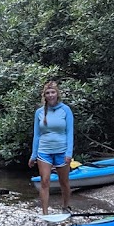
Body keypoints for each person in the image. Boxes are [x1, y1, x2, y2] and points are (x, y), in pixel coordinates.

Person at [28, 80, 74, 214]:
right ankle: (45, 213)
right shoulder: (39, 112)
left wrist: (69, 153)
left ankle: (65, 207)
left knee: (64, 182)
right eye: (47, 93)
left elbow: (70, 132)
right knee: (45, 181)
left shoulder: (65, 110)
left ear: (57, 94)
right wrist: (33, 155)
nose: (50, 95)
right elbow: (36, 135)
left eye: (52, 92)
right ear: (44, 96)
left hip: (62, 150)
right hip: (44, 151)